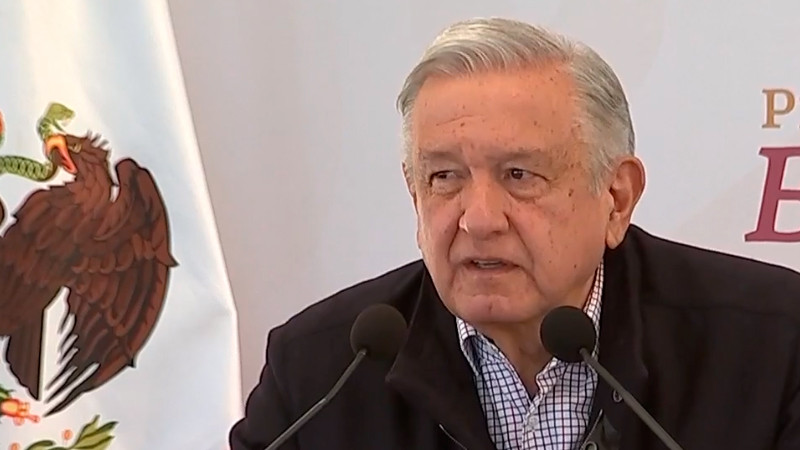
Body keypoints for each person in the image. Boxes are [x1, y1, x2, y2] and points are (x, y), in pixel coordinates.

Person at [229, 17, 800, 450]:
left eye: (519, 175)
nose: (478, 219)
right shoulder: (321, 373)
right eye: (445, 177)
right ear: (414, 193)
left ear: (616, 197)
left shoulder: (774, 346)